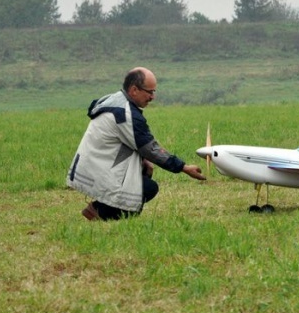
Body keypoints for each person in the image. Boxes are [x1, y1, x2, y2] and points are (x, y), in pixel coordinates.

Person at [66, 67, 205, 221]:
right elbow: (152, 149)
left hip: (92, 166)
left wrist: (144, 160)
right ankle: (99, 212)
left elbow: (133, 144)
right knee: (148, 189)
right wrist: (184, 168)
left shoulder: (115, 101)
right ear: (134, 90)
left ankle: (103, 208)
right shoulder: (126, 114)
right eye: (149, 92)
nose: (153, 97)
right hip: (100, 170)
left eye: (154, 92)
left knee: (143, 176)